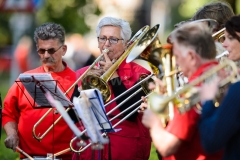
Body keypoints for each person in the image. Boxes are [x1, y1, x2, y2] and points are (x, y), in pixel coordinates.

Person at [73, 17, 152, 160]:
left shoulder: (141, 74)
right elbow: (73, 116)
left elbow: (131, 113)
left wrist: (114, 76)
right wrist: (83, 83)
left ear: (126, 44)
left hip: (124, 153)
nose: (106, 44)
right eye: (102, 38)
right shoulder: (83, 73)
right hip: (90, 152)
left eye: (113, 40)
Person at [141, 22, 223, 159]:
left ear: (191, 57)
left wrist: (154, 122)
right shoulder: (223, 74)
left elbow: (167, 147)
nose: (176, 64)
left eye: (177, 57)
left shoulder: (193, 92)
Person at [2, 22, 76, 160]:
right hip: (28, 157)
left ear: (64, 50)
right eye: (42, 51)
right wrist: (12, 134)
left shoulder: (79, 80)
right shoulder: (25, 79)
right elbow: (8, 112)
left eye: (51, 50)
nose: (46, 55)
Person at [199, 15, 240, 160]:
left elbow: (210, 142)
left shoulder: (237, 90)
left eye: (230, 38)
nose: (224, 44)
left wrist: (208, 99)